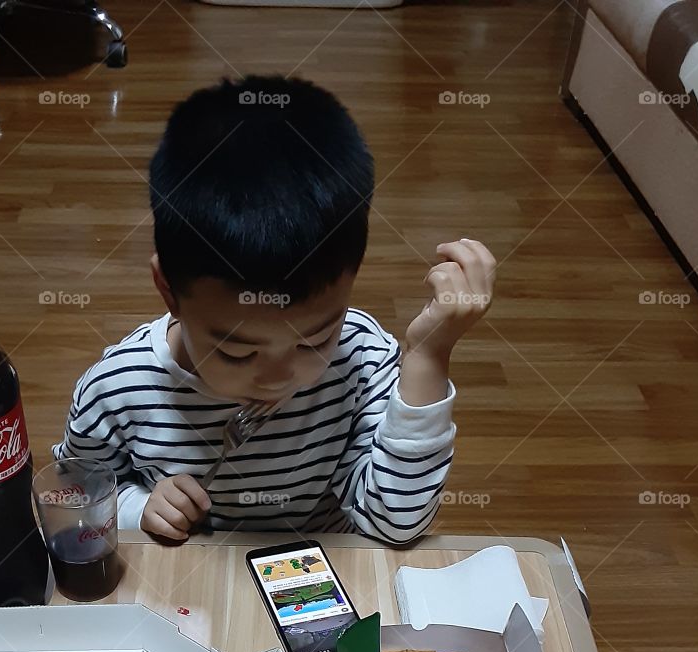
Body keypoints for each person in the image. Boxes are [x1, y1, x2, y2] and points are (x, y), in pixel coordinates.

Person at [55, 74, 495, 545]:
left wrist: (428, 355)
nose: (279, 377)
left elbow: (394, 523)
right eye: (238, 354)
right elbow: (77, 497)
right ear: (168, 290)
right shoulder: (118, 389)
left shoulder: (361, 360)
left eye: (314, 340)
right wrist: (139, 508)